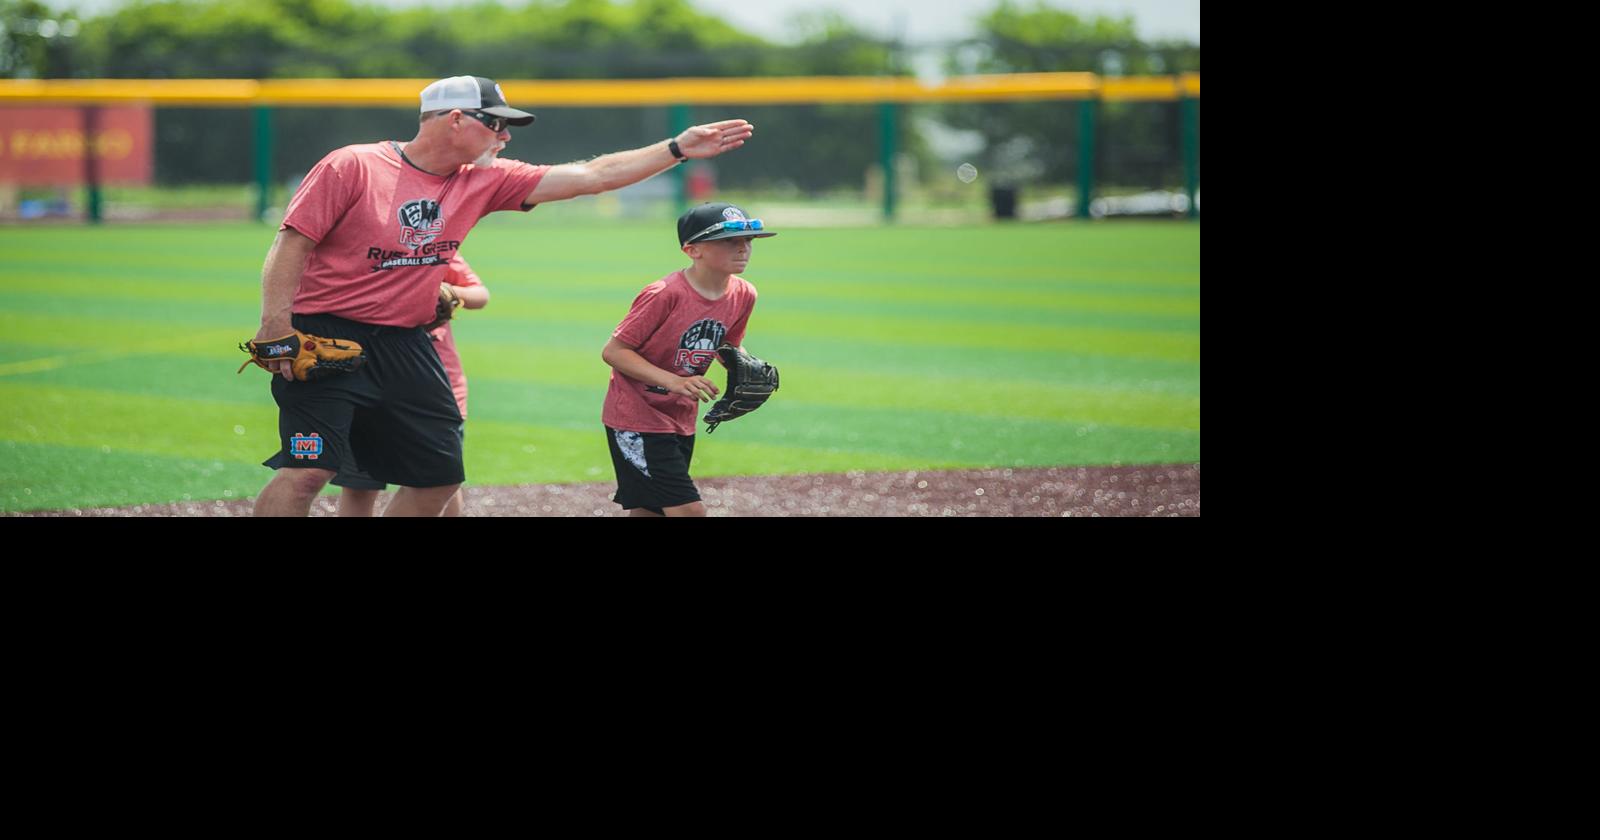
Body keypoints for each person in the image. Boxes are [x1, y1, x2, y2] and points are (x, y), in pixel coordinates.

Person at [248, 75, 754, 517]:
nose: (505, 136)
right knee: (309, 469)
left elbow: (593, 177)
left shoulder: (485, 181)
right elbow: (293, 239)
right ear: (453, 120)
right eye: (495, 123)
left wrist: (677, 148)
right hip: (323, 330)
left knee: (438, 478)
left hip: (407, 343)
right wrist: (276, 324)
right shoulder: (353, 165)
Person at [600, 202, 775, 517]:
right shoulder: (665, 293)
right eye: (729, 241)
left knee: (648, 511)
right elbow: (614, 352)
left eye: (748, 240)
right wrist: (675, 381)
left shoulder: (744, 294)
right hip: (636, 418)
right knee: (689, 510)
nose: (743, 248)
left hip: (680, 417)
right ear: (693, 250)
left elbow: (728, 347)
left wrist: (746, 367)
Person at [334, 253, 486, 517]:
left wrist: (447, 290)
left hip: (440, 384)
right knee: (359, 484)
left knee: (442, 478)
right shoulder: (358, 248)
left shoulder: (433, 246)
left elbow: (480, 294)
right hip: (367, 382)